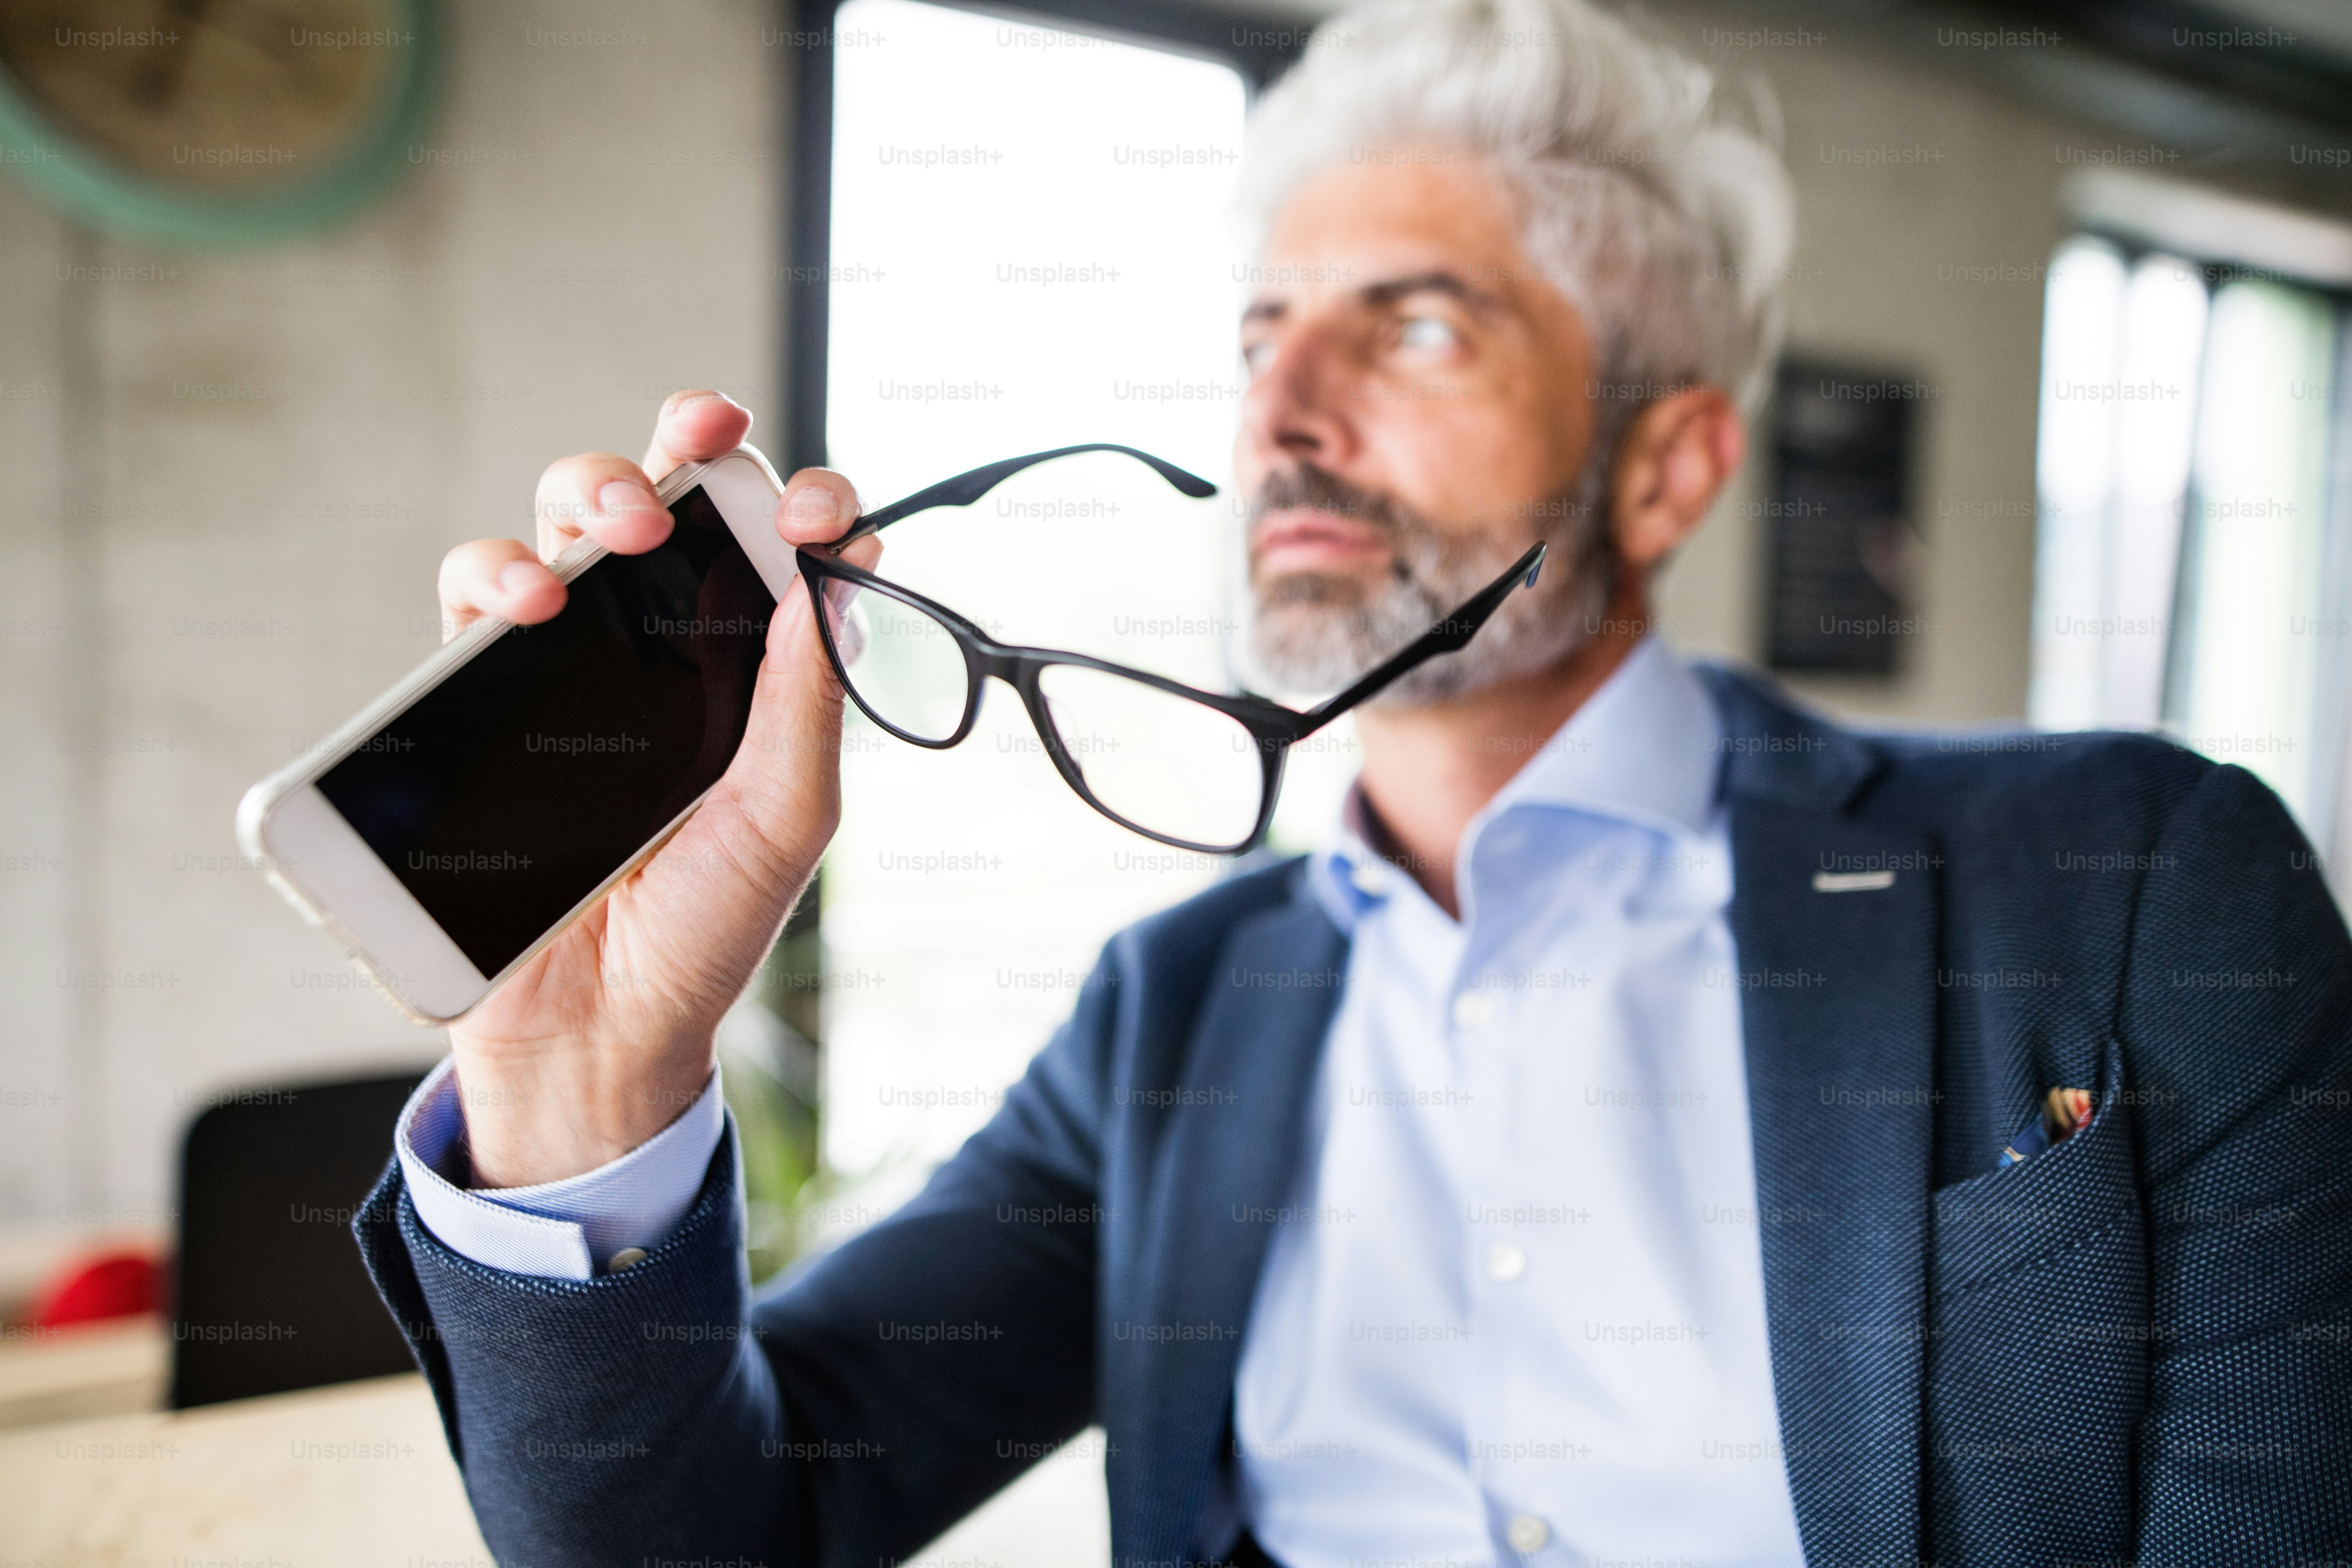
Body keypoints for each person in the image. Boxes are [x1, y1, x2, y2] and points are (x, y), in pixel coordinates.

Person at [357, 0, 2352, 1562]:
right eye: (1259, 338)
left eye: (1410, 325)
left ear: (1665, 465)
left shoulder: (2139, 882)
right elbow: (719, 1539)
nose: (1283, 417)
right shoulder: (1179, 1012)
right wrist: (587, 1077)